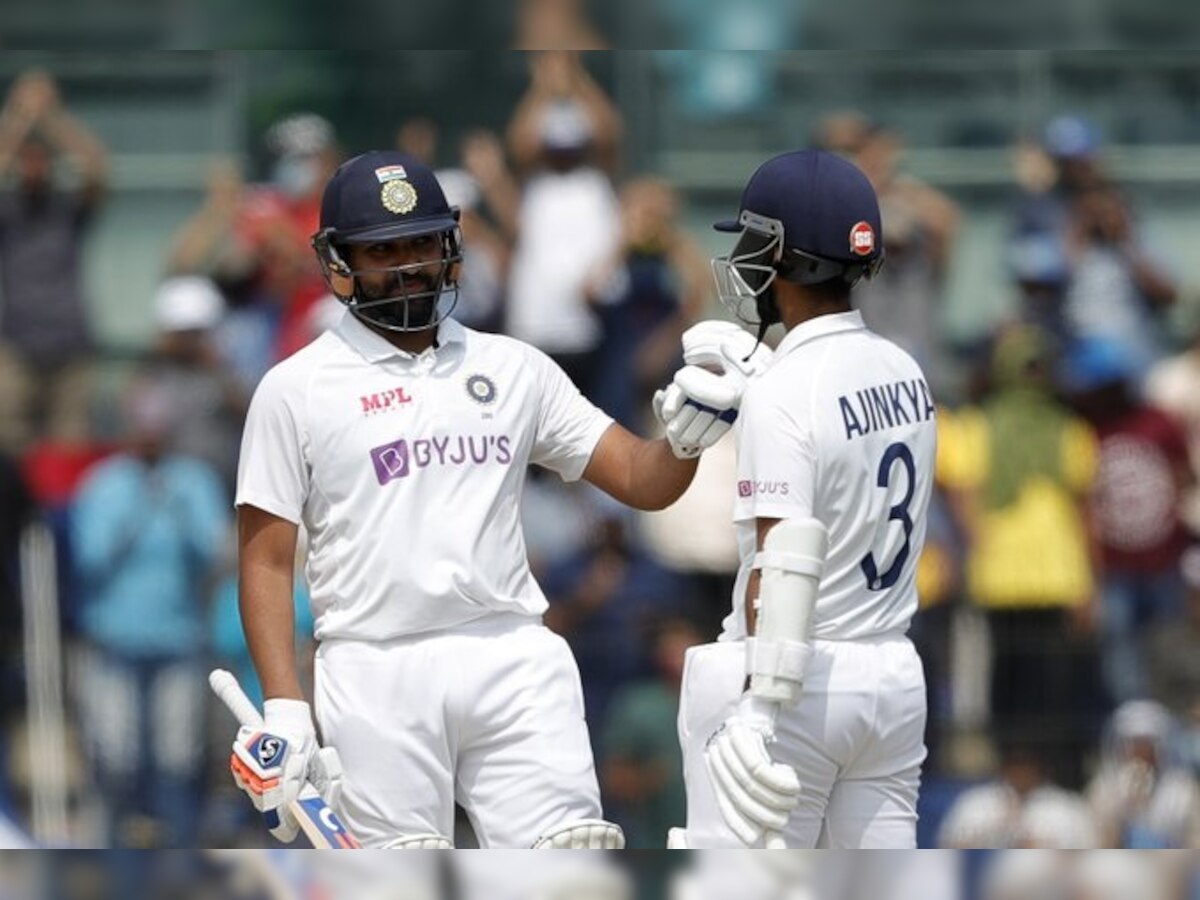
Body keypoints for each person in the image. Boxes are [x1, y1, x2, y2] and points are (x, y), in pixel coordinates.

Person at [226, 150, 767, 849]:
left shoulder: (512, 367)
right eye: (383, 249)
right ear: (339, 263)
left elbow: (640, 477)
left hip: (511, 653)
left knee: (569, 867)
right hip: (372, 664)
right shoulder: (295, 389)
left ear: (450, 248)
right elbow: (265, 561)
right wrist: (285, 705)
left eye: (422, 241)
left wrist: (686, 438)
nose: (408, 264)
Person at [672, 149, 936, 849]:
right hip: (891, 675)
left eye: (755, 240)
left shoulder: (786, 391)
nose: (744, 257)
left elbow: (780, 557)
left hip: (796, 679)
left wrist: (758, 709)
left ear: (784, 255)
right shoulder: (902, 365)